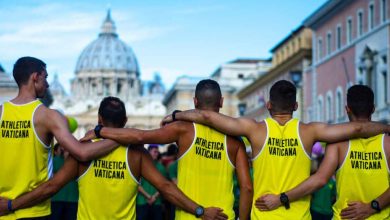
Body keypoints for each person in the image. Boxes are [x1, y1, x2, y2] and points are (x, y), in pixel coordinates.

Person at [161, 80, 390, 219]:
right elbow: (359, 127)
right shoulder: (310, 131)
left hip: (263, 215)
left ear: (268, 105)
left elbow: (207, 117)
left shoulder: (254, 129)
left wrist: (176, 115)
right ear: (296, 107)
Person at [0, 96, 226, 220]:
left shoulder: (83, 151)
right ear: (126, 120)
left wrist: (11, 204)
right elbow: (166, 187)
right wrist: (200, 210)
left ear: (98, 118)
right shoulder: (136, 153)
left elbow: (51, 187)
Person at [81, 79, 253, 220]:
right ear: (222, 102)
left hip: (189, 216)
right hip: (223, 216)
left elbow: (140, 136)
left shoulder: (182, 129)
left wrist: (100, 130)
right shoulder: (235, 140)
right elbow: (246, 188)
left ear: (195, 102)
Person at [0, 57, 119, 219]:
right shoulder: (49, 116)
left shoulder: (1, 112)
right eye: (45, 77)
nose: (48, 84)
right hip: (34, 212)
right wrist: (120, 136)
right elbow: (82, 153)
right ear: (35, 77)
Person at [256, 85, 390, 219]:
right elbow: (359, 129)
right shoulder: (387, 143)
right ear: (373, 108)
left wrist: (281, 198)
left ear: (347, 109)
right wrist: (372, 206)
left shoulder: (338, 144)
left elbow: (320, 179)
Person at [136, 144, 167, 220]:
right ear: (148, 152)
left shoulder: (161, 167)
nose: (157, 153)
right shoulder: (140, 166)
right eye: (155, 152)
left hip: (156, 202)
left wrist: (154, 197)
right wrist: (149, 197)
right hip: (142, 201)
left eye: (157, 152)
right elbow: (136, 184)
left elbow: (164, 185)